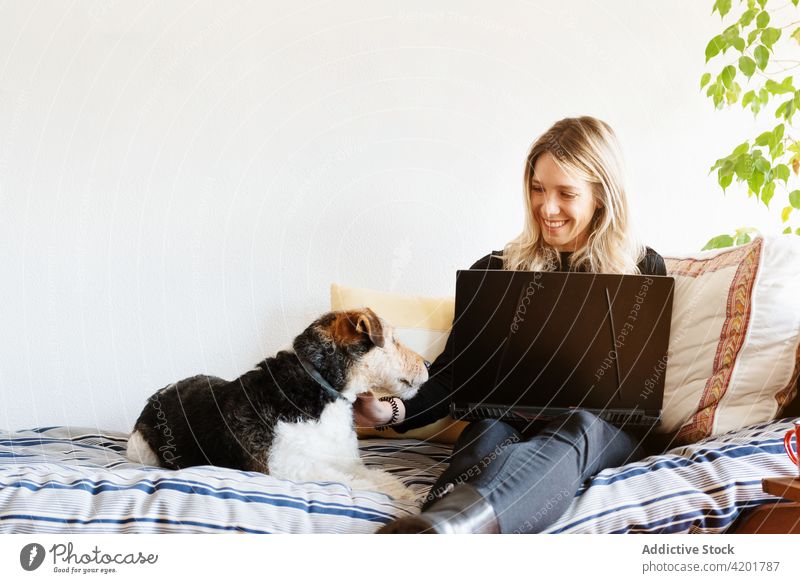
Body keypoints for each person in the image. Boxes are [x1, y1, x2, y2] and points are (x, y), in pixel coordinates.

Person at [354, 116, 668, 534]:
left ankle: (452, 531)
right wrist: (391, 410)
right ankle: (439, 529)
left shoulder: (642, 270)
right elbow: (454, 376)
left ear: (601, 197)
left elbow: (641, 400)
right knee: (488, 431)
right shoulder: (497, 272)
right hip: (510, 422)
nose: (547, 207)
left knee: (579, 427)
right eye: (538, 189)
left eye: (566, 193)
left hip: (600, 434)